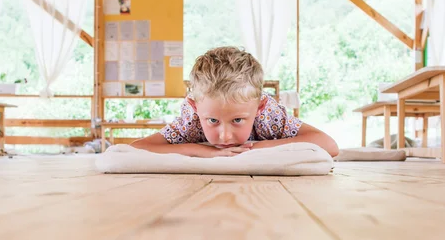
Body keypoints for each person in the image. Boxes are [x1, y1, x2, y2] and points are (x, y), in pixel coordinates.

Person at [131, 47, 339, 158]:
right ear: (195, 108)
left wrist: (258, 148)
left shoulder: (269, 113)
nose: (224, 135)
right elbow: (137, 148)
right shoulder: (191, 119)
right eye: (212, 120)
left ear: (259, 108)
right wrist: (199, 150)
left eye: (237, 120)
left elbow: (329, 145)